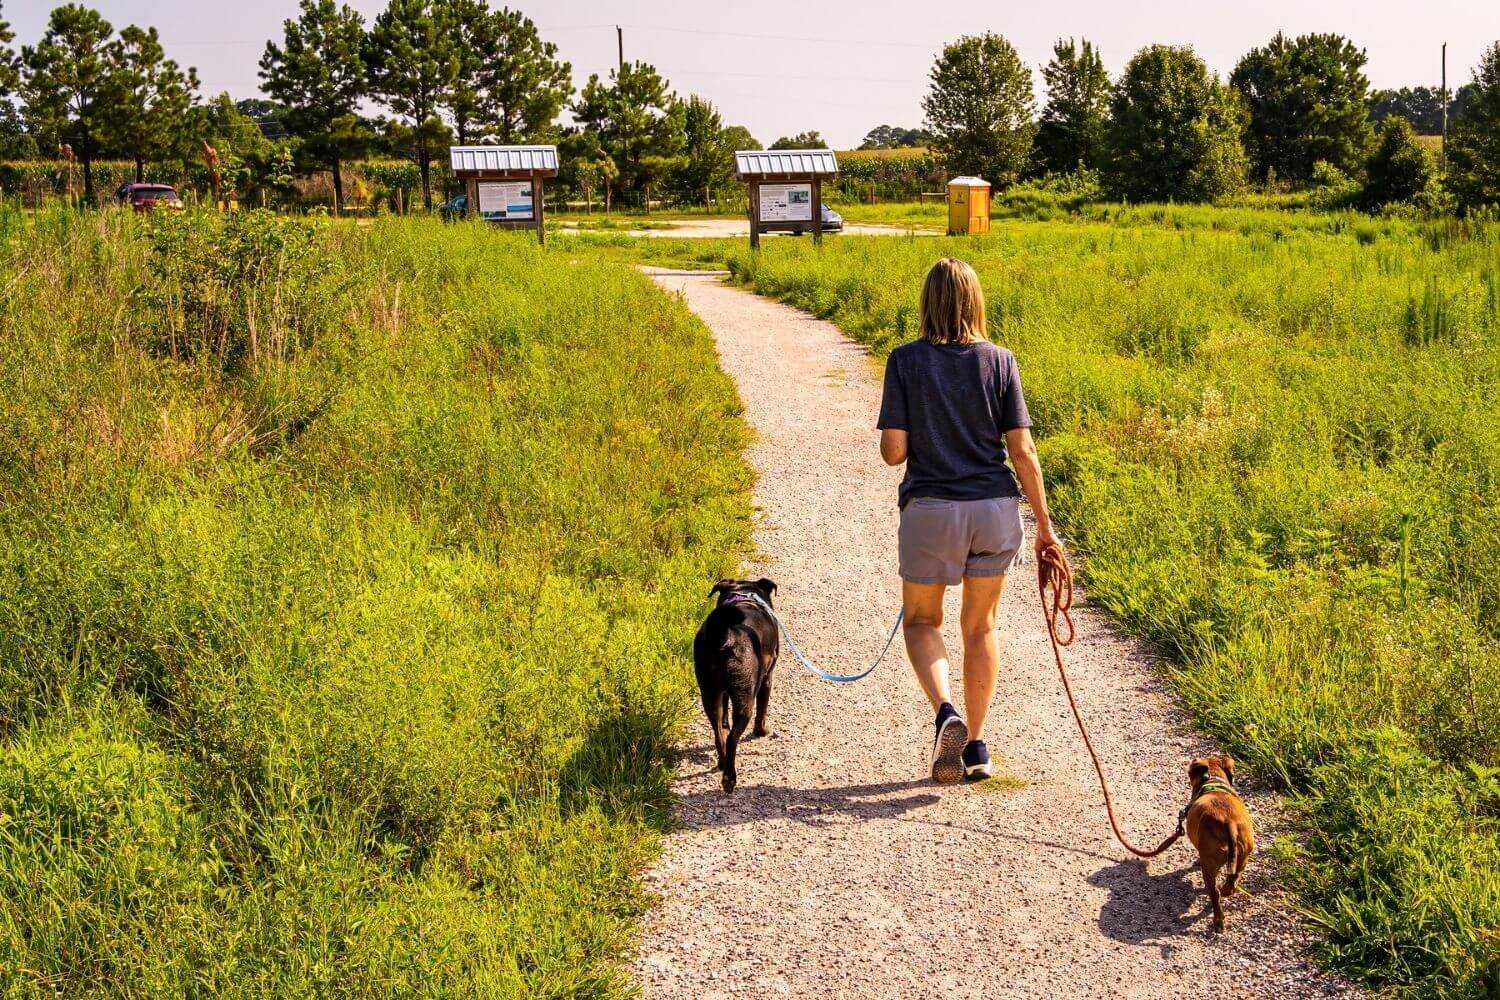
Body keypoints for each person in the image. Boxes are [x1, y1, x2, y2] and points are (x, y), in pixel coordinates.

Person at [876, 258, 1061, 783]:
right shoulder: (1001, 361)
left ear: (926, 303)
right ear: (975, 302)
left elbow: (894, 452)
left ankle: (945, 712)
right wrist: (1046, 528)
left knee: (921, 622)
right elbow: (1022, 452)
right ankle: (977, 748)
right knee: (980, 626)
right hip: (994, 510)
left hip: (932, 512)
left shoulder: (905, 361)